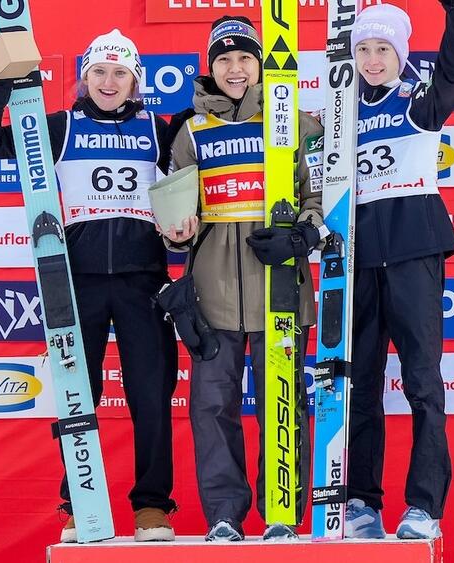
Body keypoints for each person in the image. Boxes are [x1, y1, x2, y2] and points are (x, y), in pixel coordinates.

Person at [0, 29, 179, 543]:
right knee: (77, 393)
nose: (109, 82)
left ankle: (152, 506)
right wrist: (3, 84)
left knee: (151, 394)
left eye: (120, 73)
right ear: (84, 79)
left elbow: (200, 176)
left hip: (143, 281)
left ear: (135, 80)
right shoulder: (62, 126)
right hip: (77, 282)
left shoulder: (158, 129)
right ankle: (80, 502)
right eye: (99, 72)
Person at [162, 15, 326, 542]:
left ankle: (283, 513)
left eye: (245, 58)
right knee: (212, 407)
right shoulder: (191, 131)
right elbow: (177, 213)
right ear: (210, 67)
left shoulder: (294, 123)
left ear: (261, 64)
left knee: (284, 400)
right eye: (224, 59)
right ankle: (224, 516)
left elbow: (322, 196)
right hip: (212, 295)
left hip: (280, 289)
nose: (235, 69)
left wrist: (302, 235)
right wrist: (178, 232)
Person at [342, 0, 454, 541]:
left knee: (421, 382)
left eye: (383, 49)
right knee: (360, 385)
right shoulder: (341, 115)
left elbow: (453, 72)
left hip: (413, 252)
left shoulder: (418, 101)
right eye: (364, 50)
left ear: (401, 53)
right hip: (358, 260)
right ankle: (360, 502)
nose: (373, 60)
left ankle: (423, 505)